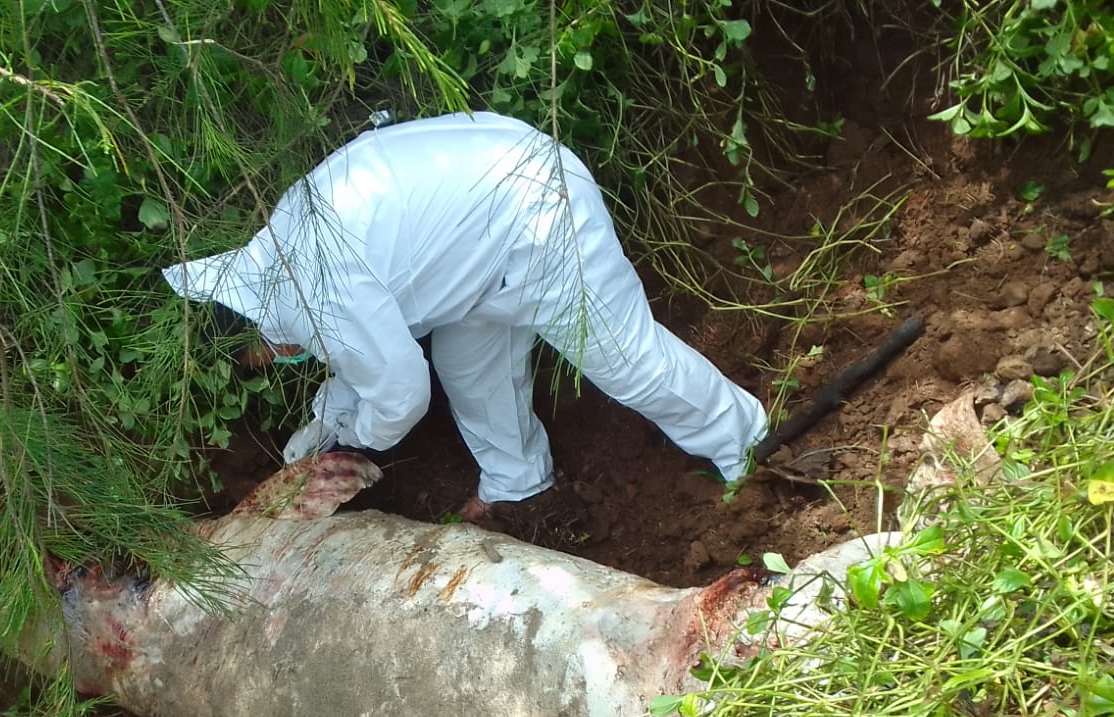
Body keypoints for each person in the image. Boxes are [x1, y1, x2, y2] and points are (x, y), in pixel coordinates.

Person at [163, 111, 767, 519]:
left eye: (255, 356)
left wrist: (352, 443)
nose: (270, 360)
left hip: (537, 214)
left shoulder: (312, 294)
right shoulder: (280, 256)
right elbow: (357, 362)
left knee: (626, 361)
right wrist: (322, 429)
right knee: (467, 364)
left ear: (248, 333)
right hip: (482, 235)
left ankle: (747, 443)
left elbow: (399, 394)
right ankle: (518, 485)